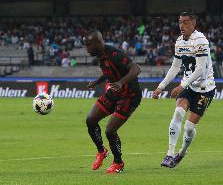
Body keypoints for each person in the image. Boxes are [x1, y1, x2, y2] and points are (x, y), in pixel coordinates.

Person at [152, 11, 216, 168]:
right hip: (189, 87)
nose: (182, 25)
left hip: (204, 89)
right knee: (178, 113)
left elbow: (200, 69)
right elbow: (175, 67)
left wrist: (182, 85)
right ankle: (169, 154)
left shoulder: (200, 40)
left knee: (188, 128)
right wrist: (161, 87)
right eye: (180, 22)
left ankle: (182, 152)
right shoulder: (179, 41)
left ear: (193, 24)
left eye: (186, 22)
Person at [85, 29, 142, 173]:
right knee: (91, 120)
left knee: (110, 130)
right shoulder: (100, 56)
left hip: (130, 95)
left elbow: (136, 68)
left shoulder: (115, 54)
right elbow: (108, 72)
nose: (87, 48)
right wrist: (97, 81)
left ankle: (118, 163)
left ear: (98, 42)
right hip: (115, 92)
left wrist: (122, 82)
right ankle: (101, 151)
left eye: (89, 45)